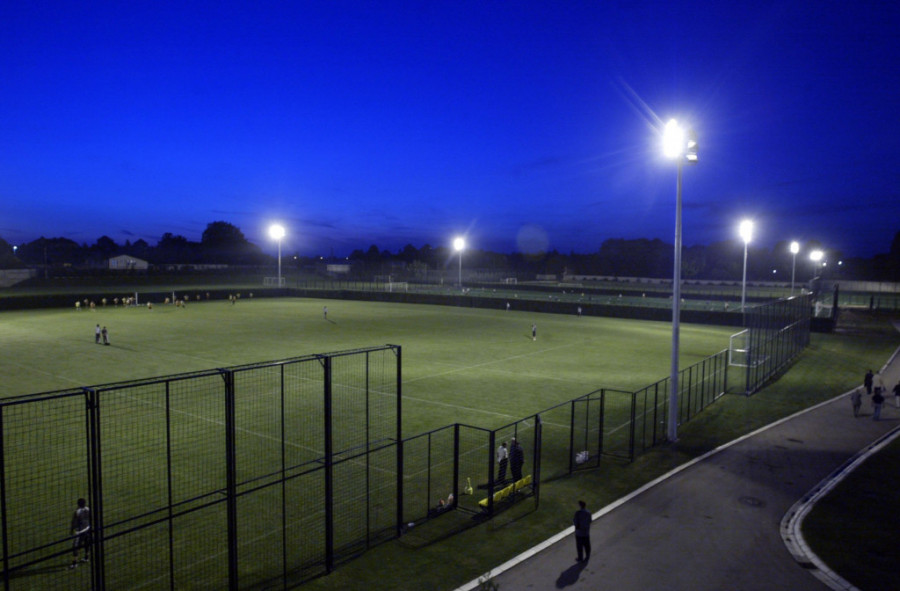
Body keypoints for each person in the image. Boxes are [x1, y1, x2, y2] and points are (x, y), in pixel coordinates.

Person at [70, 498, 92, 568]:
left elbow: (73, 522)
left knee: (75, 547)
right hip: (87, 528)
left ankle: (74, 563)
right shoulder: (88, 509)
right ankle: (86, 557)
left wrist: (71, 530)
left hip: (80, 532)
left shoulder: (77, 511)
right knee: (87, 543)